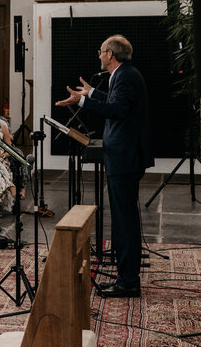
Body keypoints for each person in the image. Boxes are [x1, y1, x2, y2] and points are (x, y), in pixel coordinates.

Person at [56, 34, 153, 299]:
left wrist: (83, 101)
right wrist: (92, 93)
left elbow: (118, 109)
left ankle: (128, 281)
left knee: (124, 220)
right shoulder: (124, 75)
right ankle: (126, 277)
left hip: (125, 157)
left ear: (110, 54)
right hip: (124, 156)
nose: (98, 55)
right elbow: (115, 101)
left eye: (100, 51)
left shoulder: (125, 75)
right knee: (123, 219)